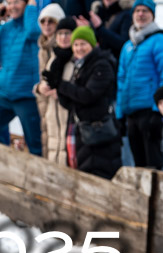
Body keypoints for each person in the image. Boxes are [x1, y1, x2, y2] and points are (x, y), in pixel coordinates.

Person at [47, 26, 122, 178]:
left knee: (101, 175)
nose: (79, 48)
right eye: (76, 44)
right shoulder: (79, 66)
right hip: (84, 132)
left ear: (93, 44)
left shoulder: (102, 64)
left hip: (99, 133)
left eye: (83, 44)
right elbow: (71, 103)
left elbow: (87, 95)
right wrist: (58, 84)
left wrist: (61, 85)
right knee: (85, 174)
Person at [0, 0, 43, 155]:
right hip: (5, 94)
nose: (13, 6)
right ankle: (5, 163)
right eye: (9, 2)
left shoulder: (32, 25)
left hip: (26, 95)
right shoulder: (5, 28)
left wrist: (31, 7)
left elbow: (34, 32)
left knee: (34, 142)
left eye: (17, 2)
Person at [116, 0, 163, 170]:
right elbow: (121, 81)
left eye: (145, 11)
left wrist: (157, 111)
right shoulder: (128, 46)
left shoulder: (159, 40)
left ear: (152, 15)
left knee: (154, 162)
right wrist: (119, 114)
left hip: (149, 112)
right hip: (131, 113)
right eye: (137, 11)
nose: (141, 14)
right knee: (138, 164)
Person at [36, 17, 77, 165]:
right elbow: (44, 81)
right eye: (60, 34)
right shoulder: (53, 58)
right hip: (52, 114)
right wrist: (40, 88)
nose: (64, 37)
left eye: (67, 33)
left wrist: (60, 91)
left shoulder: (77, 58)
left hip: (69, 117)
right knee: (52, 154)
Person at [34, 4, 66, 156]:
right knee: (48, 144)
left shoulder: (62, 48)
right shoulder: (42, 48)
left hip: (59, 104)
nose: (46, 24)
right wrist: (39, 88)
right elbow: (42, 78)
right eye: (43, 21)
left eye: (51, 21)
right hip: (45, 104)